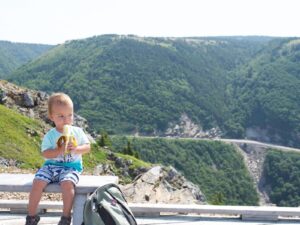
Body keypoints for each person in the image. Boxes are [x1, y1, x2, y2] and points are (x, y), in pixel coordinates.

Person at [25, 93, 91, 225]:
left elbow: (87, 147)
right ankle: (31, 216)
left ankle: (66, 217)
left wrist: (77, 149)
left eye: (69, 115)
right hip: (51, 166)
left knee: (67, 184)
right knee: (37, 182)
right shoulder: (50, 135)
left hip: (71, 166)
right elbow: (45, 153)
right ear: (52, 117)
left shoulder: (77, 132)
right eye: (61, 116)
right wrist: (59, 150)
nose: (66, 120)